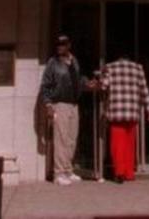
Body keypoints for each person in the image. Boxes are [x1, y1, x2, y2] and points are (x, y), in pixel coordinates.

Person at [38, 34, 90, 185]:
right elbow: (45, 85)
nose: (60, 47)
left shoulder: (74, 61)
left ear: (69, 46)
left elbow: (77, 80)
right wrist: (48, 104)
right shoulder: (53, 63)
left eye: (63, 44)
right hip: (59, 103)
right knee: (60, 139)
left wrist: (87, 84)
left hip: (74, 104)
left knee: (71, 139)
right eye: (58, 45)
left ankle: (68, 169)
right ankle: (59, 173)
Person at [99, 54, 149, 183]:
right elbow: (144, 90)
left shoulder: (110, 67)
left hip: (117, 111)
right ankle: (129, 173)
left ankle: (119, 172)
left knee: (117, 144)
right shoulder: (138, 68)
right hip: (132, 112)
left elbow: (104, 85)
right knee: (130, 144)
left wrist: (100, 77)